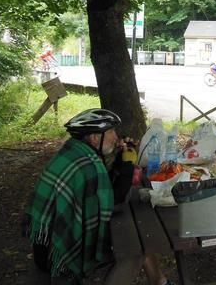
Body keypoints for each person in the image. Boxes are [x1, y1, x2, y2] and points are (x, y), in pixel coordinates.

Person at [23, 108, 174, 285]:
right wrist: (126, 165)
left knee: (139, 237)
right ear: (95, 137)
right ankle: (159, 282)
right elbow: (113, 201)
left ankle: (160, 282)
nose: (116, 137)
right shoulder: (87, 164)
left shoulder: (75, 151)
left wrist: (119, 158)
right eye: (111, 131)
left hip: (48, 244)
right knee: (135, 247)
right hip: (60, 252)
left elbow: (102, 187)